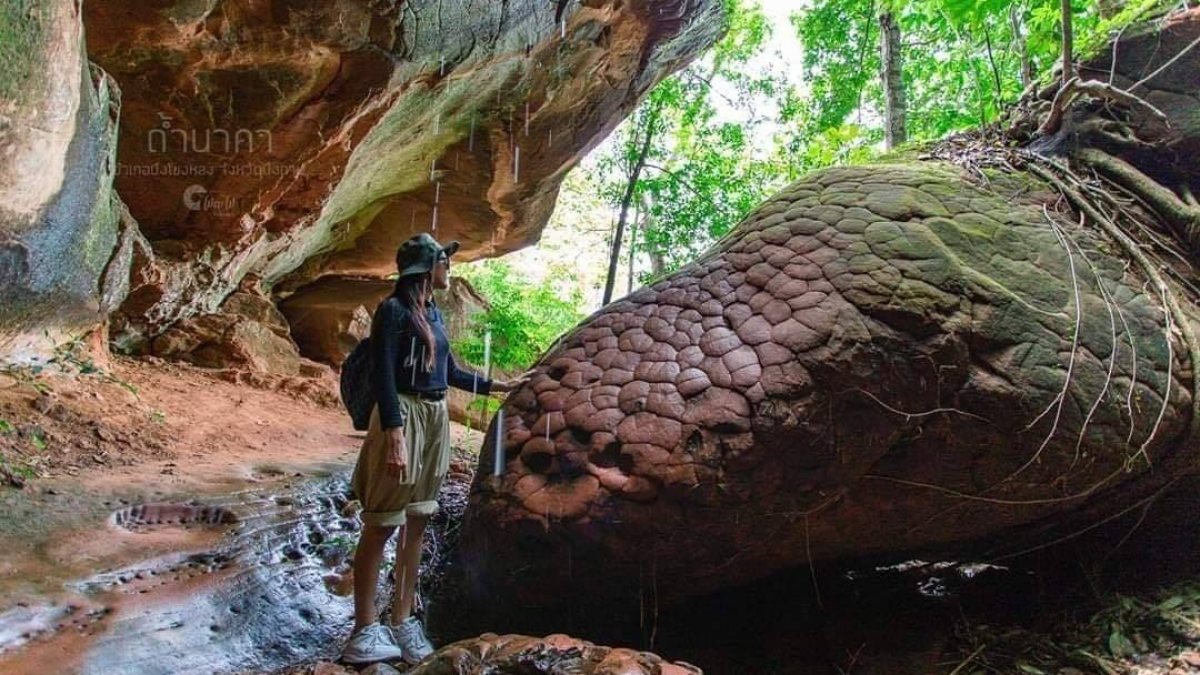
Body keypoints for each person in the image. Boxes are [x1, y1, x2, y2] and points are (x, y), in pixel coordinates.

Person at [342, 233, 527, 665]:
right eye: (445, 261)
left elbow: (449, 372)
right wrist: (394, 433)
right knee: (382, 522)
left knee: (418, 519)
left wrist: (495, 386)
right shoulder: (392, 311)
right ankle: (364, 630)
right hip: (403, 416)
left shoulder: (431, 312)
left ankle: (403, 620)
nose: (450, 268)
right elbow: (385, 376)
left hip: (435, 414)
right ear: (427, 267)